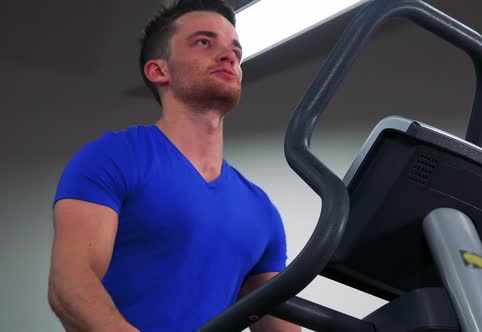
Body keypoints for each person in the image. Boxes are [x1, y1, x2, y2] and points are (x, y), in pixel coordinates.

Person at [47, 0, 301, 331]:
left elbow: (278, 327)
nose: (228, 56)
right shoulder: (112, 158)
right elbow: (70, 284)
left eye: (235, 52)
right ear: (159, 70)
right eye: (204, 42)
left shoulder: (262, 209)